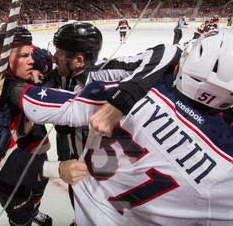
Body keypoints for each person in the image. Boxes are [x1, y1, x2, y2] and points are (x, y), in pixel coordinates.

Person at [79, 30, 233, 225]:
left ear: (180, 67)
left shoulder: (148, 90)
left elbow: (168, 52)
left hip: (94, 199)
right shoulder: (225, 161)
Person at [48, 22, 182, 218]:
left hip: (102, 169)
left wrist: (120, 101)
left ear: (78, 60)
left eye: (59, 53)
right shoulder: (56, 72)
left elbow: (170, 52)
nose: (54, 57)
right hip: (70, 161)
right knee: (76, 200)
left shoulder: (105, 72)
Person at [0, 23, 84, 226]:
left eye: (30, 53)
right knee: (20, 214)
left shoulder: (27, 73)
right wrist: (58, 169)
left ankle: (34, 210)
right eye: (24, 56)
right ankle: (26, 217)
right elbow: (3, 163)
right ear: (1, 55)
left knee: (38, 190)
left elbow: (47, 65)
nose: (31, 61)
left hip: (34, 148)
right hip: (10, 172)